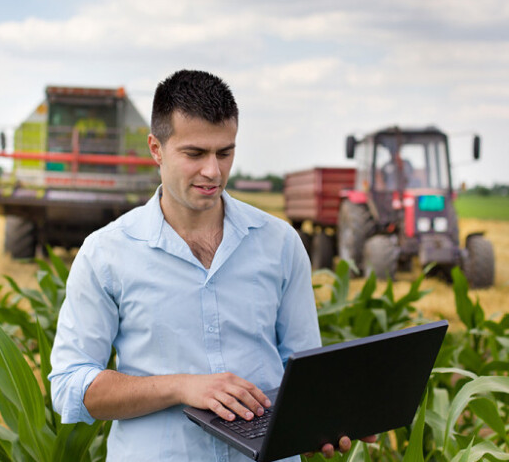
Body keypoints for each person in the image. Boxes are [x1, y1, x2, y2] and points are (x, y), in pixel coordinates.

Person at [49, 70, 367, 461]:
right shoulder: (106, 253)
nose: (213, 172)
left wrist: (329, 417)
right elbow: (70, 386)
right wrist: (181, 386)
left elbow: (301, 371)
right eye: (195, 154)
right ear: (155, 148)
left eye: (225, 152)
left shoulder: (280, 243)